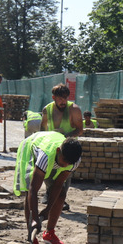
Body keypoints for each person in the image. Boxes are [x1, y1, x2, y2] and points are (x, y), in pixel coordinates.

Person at [13, 131, 83, 244]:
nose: (65, 164)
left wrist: (48, 209)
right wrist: (35, 218)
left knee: (61, 195)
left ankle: (49, 233)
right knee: (28, 192)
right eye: (64, 160)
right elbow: (33, 189)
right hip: (31, 149)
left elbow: (58, 184)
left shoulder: (74, 161)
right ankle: (31, 236)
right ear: (58, 152)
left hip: (51, 157)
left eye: (68, 163)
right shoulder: (45, 156)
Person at [39, 83, 83, 211]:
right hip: (52, 147)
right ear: (53, 97)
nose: (63, 101)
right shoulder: (47, 110)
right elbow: (42, 129)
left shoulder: (74, 110)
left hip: (68, 147)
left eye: (65, 98)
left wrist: (65, 137)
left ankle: (60, 199)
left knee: (65, 173)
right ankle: (49, 192)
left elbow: (80, 130)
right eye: (60, 98)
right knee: (47, 171)